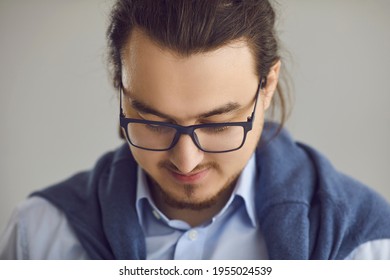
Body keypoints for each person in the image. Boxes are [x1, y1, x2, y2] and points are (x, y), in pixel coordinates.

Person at [1, 0, 390, 260]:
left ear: (267, 86)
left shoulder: (369, 246)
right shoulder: (37, 235)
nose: (186, 160)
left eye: (218, 124)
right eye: (153, 121)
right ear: (120, 85)